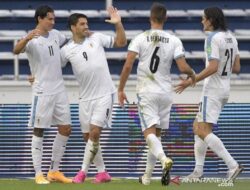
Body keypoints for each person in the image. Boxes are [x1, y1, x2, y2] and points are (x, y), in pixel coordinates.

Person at [118, 2, 195, 186]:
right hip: (165, 93)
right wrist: (192, 75)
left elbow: (128, 65)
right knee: (156, 137)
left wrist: (120, 89)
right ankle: (146, 177)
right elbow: (183, 67)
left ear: (150, 18)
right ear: (165, 18)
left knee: (148, 135)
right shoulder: (174, 40)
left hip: (147, 91)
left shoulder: (140, 38)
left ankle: (163, 159)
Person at [175, 7, 243, 181]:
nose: (201, 21)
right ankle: (198, 172)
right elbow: (236, 68)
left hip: (212, 90)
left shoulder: (212, 38)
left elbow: (212, 67)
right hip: (224, 89)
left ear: (211, 20)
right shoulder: (232, 38)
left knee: (201, 129)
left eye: (203, 18)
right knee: (198, 127)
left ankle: (232, 165)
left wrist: (192, 80)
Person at [60, 6, 127, 184]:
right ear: (73, 27)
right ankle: (102, 172)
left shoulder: (96, 38)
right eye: (82, 24)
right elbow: (52, 67)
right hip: (85, 99)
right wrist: (36, 75)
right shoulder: (66, 50)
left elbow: (121, 42)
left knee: (95, 133)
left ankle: (82, 172)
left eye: (87, 23)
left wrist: (118, 24)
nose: (86, 26)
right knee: (87, 137)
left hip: (105, 94)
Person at [13, 5, 72, 184]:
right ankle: (38, 173)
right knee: (39, 130)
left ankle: (54, 171)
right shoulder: (31, 38)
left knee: (66, 128)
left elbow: (67, 45)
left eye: (54, 19)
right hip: (42, 90)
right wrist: (26, 38)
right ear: (40, 18)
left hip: (59, 89)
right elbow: (16, 50)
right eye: (50, 19)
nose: (53, 22)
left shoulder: (56, 35)